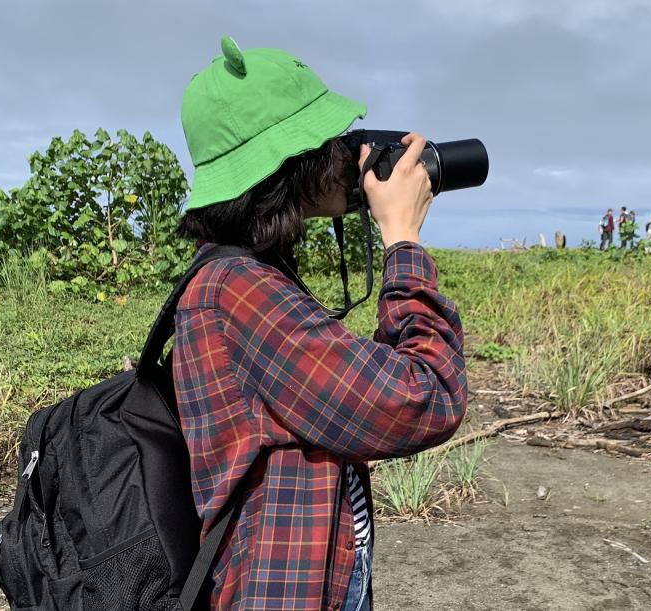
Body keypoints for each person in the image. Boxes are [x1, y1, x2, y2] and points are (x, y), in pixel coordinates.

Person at [172, 37, 467, 610]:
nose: (346, 156)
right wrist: (402, 238)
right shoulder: (241, 293)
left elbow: (359, 392)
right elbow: (425, 396)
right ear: (291, 162)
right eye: (331, 141)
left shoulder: (237, 276)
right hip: (284, 588)